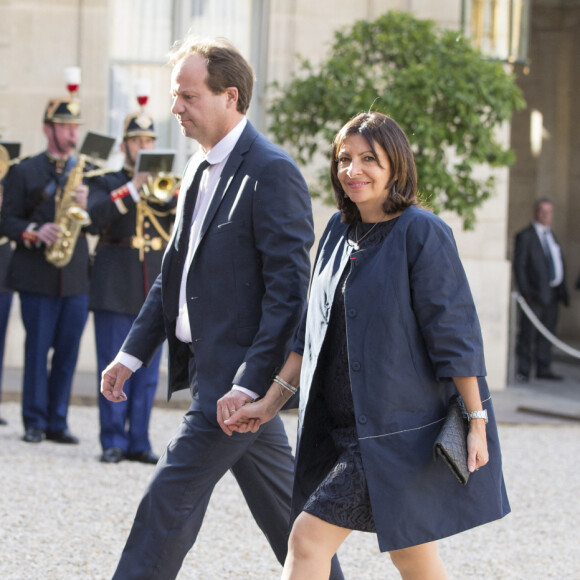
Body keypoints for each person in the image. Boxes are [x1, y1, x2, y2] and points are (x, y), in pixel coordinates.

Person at [224, 112, 511, 580]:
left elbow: (455, 335)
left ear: (395, 166)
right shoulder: (338, 232)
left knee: (306, 538)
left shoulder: (422, 232)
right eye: (344, 159)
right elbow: (310, 334)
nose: (352, 170)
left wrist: (477, 423)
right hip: (336, 429)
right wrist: (270, 402)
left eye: (368, 159)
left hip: (397, 435)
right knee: (413, 555)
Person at [100, 37, 343, 580]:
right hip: (221, 381)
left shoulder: (272, 171)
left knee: (165, 507)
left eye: (187, 96)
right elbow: (173, 276)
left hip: (233, 390)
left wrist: (249, 383)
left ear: (229, 96)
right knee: (293, 524)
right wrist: (131, 355)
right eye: (175, 95)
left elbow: (289, 293)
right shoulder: (195, 170)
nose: (175, 109)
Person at [0, 96, 94, 444]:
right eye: (65, 127)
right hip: (36, 274)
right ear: (47, 129)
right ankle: (34, 421)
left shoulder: (84, 170)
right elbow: (6, 220)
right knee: (37, 350)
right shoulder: (24, 170)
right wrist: (34, 231)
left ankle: (58, 421)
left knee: (68, 352)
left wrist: (90, 205)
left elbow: (96, 221)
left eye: (74, 127)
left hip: (74, 278)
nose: (72, 134)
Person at [87, 109, 177, 464]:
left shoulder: (164, 185)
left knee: (149, 372)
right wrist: (134, 187)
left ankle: (139, 439)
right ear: (125, 145)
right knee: (111, 364)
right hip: (114, 285)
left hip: (150, 286)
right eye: (138, 140)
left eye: (150, 140)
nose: (145, 145)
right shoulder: (106, 181)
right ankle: (112, 439)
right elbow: (94, 219)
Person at [513, 198, 568, 382]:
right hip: (534, 296)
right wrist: (526, 293)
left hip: (553, 294)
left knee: (548, 333)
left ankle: (544, 367)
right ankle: (524, 370)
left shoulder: (551, 236)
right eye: (542, 211)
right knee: (528, 334)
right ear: (535, 212)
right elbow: (519, 266)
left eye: (549, 212)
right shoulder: (526, 236)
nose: (546, 215)